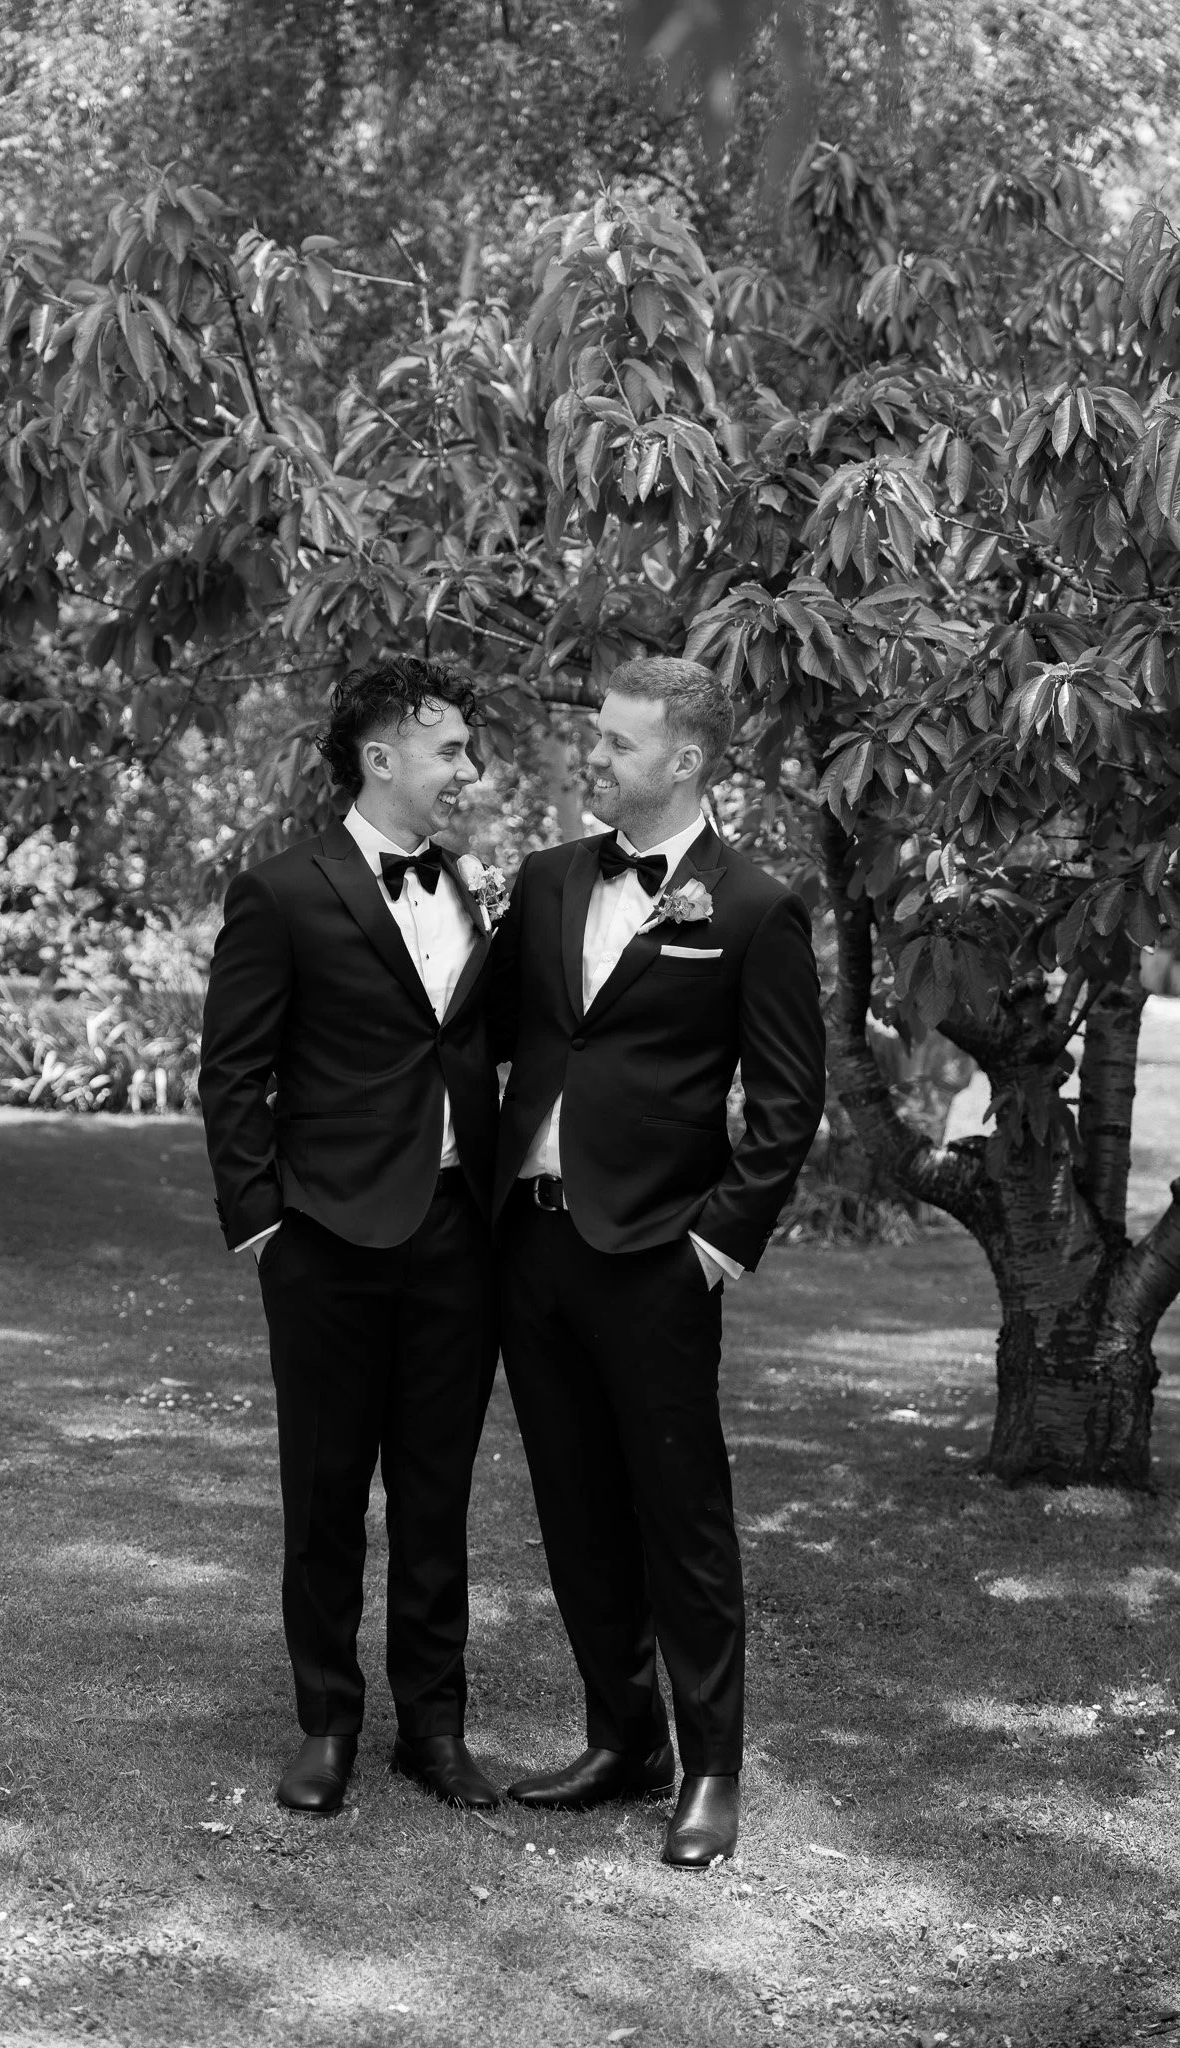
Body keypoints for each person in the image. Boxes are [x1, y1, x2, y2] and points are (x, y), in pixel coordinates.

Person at [489, 654, 827, 1867]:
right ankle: (619, 1736)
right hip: (530, 1247)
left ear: (683, 759)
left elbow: (789, 1107)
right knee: (575, 1505)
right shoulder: (544, 882)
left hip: (657, 1260)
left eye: (621, 743)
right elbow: (473, 1035)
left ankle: (711, 1768)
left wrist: (713, 1245)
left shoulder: (752, 905)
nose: (601, 758)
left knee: (682, 1517)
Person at [200, 655, 503, 1816]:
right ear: (382, 758)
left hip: (456, 1233)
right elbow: (232, 1075)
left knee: (437, 1495)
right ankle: (326, 1720)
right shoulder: (281, 891)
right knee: (325, 1494)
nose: (467, 769)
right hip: (324, 1237)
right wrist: (263, 1227)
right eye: (451, 750)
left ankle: (434, 1727)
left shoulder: (478, 888)